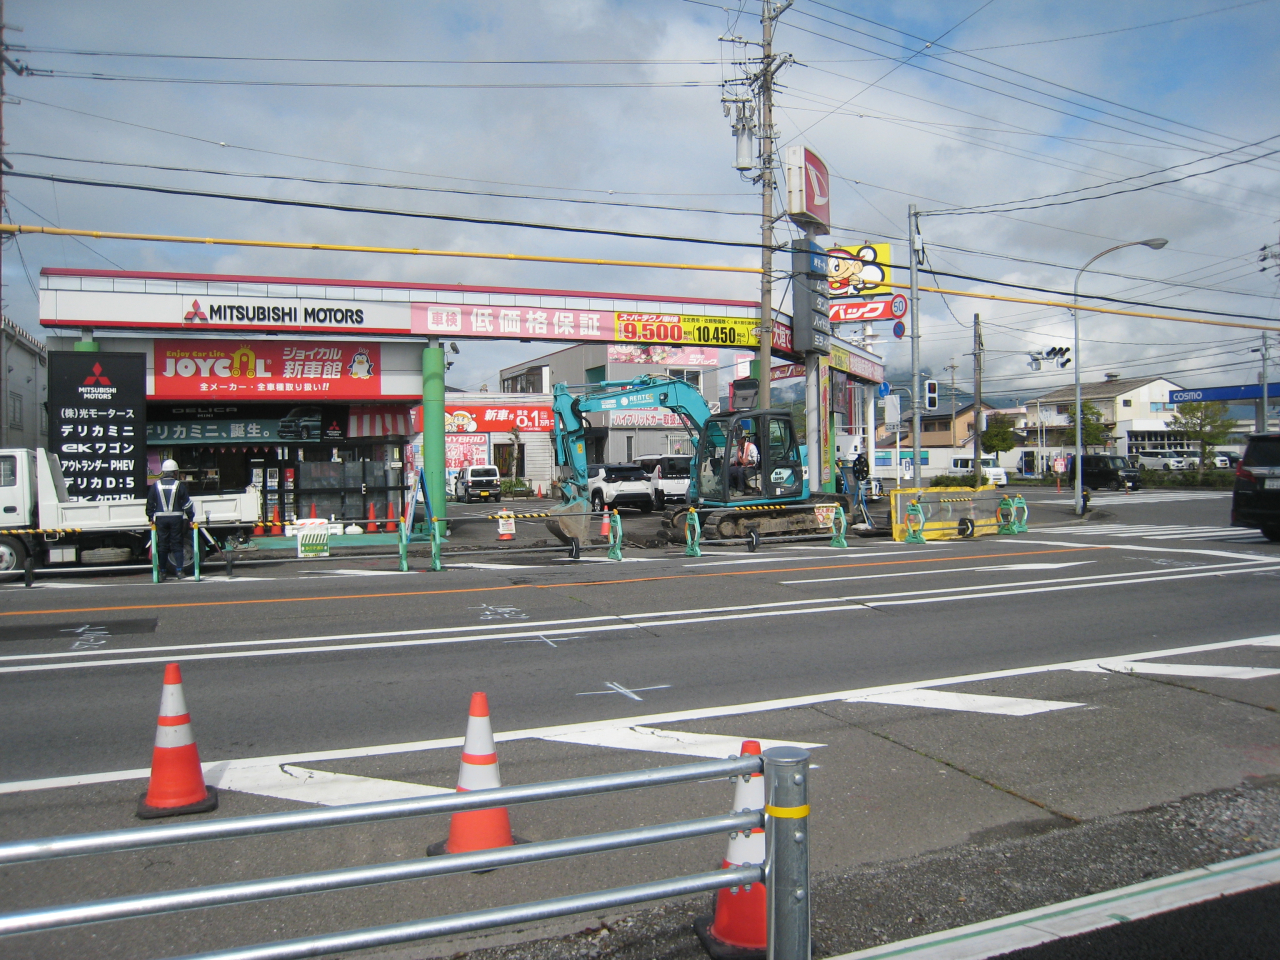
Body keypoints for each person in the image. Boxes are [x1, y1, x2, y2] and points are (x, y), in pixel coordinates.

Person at [147, 459, 194, 581]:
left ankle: (162, 572)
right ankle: (179, 571)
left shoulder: (155, 485)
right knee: (177, 545)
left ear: (163, 472)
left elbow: (150, 503)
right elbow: (187, 504)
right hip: (176, 518)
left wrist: (150, 517)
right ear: (175, 472)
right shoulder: (179, 485)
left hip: (161, 519)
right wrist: (190, 517)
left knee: (162, 546)